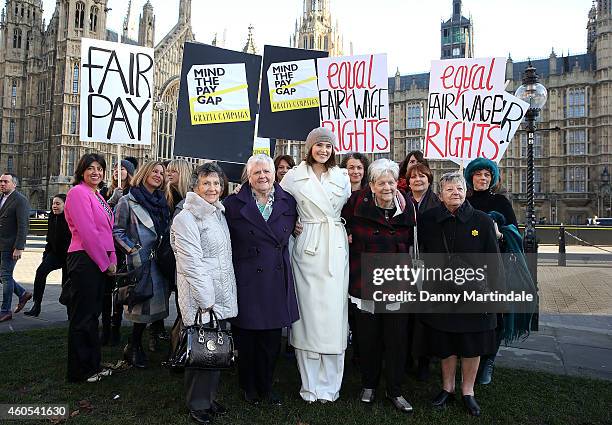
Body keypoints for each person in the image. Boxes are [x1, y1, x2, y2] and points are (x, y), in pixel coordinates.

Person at [418, 172, 503, 417]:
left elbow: (494, 263)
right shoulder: (428, 220)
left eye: (459, 188)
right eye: (449, 189)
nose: (455, 192)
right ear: (440, 195)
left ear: (466, 192)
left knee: (471, 344)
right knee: (446, 344)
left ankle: (468, 391)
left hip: (475, 294)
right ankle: (447, 388)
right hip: (441, 294)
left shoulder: (483, 221)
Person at [280, 127, 351, 403]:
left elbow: (353, 206)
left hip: (333, 246)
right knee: (308, 319)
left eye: (328, 146)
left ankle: (330, 387)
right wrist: (291, 224)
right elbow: (280, 207)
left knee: (334, 318)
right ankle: (309, 386)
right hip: (307, 246)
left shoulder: (342, 176)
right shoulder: (293, 177)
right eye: (319, 145)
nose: (323, 150)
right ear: (309, 147)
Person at [224, 154, 299, 406]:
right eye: (256, 173)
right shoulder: (233, 203)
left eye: (266, 171)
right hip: (246, 279)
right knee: (246, 340)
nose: (263, 177)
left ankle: (266, 386)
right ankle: (248, 386)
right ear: (248, 176)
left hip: (276, 278)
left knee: (270, 341)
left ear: (274, 173)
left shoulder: (289, 201)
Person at [341, 159, 415, 413]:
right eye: (381, 182)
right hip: (365, 280)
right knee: (368, 338)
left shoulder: (407, 207)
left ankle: (395, 390)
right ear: (371, 185)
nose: (387, 187)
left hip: (397, 281)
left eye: (391, 182)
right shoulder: (355, 203)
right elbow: (338, 222)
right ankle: (369, 385)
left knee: (396, 340)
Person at [171, 163, 238, 425]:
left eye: (217, 183)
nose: (213, 188)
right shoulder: (186, 218)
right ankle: (197, 404)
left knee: (215, 349)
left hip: (219, 293)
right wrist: (207, 301)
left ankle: (208, 398)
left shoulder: (217, 213)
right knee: (201, 350)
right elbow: (191, 264)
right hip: (203, 298)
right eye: (207, 183)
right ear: (196, 187)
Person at [464, 157, 518, 384]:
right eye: (478, 174)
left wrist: (500, 235)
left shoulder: (501, 202)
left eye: (487, 175)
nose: (483, 178)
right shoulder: (463, 201)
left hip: (496, 265)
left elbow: (515, 232)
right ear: (471, 178)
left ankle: (488, 361)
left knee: (494, 315)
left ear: (492, 179)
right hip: (467, 267)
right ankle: (469, 358)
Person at [64, 154, 117, 382]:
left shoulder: (97, 195)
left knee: (92, 316)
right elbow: (88, 233)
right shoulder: (77, 193)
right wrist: (105, 264)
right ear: (82, 171)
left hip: (97, 259)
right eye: (90, 168)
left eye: (100, 168)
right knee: (83, 318)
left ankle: (92, 365)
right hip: (85, 259)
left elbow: (107, 231)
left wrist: (112, 257)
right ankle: (80, 371)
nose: (96, 172)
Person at [113, 161, 170, 368]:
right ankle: (134, 346)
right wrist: (132, 250)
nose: (158, 175)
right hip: (140, 262)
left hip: (159, 261)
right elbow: (117, 231)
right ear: (144, 173)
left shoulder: (162, 201)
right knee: (141, 307)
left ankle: (139, 343)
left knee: (153, 308)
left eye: (161, 173)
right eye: (154, 171)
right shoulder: (128, 200)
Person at [406, 162, 441, 381]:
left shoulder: (437, 203)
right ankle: (407, 356)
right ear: (408, 181)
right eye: (413, 177)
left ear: (429, 180)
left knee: (426, 312)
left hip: (429, 263)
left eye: (422, 177)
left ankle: (425, 360)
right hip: (406, 261)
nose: (418, 180)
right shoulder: (402, 201)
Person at [25, 194, 71, 317]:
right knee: (40, 272)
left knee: (66, 283)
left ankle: (71, 311)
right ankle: (36, 305)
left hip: (69, 256)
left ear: (65, 205)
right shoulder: (51, 216)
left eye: (58, 203)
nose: (54, 206)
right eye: (53, 203)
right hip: (54, 254)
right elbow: (49, 237)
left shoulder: (70, 217)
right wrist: (46, 254)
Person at [0, 173, 31, 322]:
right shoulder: (2, 198)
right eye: (1, 181)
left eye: (6, 181)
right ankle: (23, 293)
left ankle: (5, 310)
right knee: (3, 276)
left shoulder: (20, 200)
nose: (2, 184)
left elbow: (23, 225)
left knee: (5, 276)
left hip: (11, 246)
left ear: (14, 184)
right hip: (1, 244)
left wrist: (19, 247)